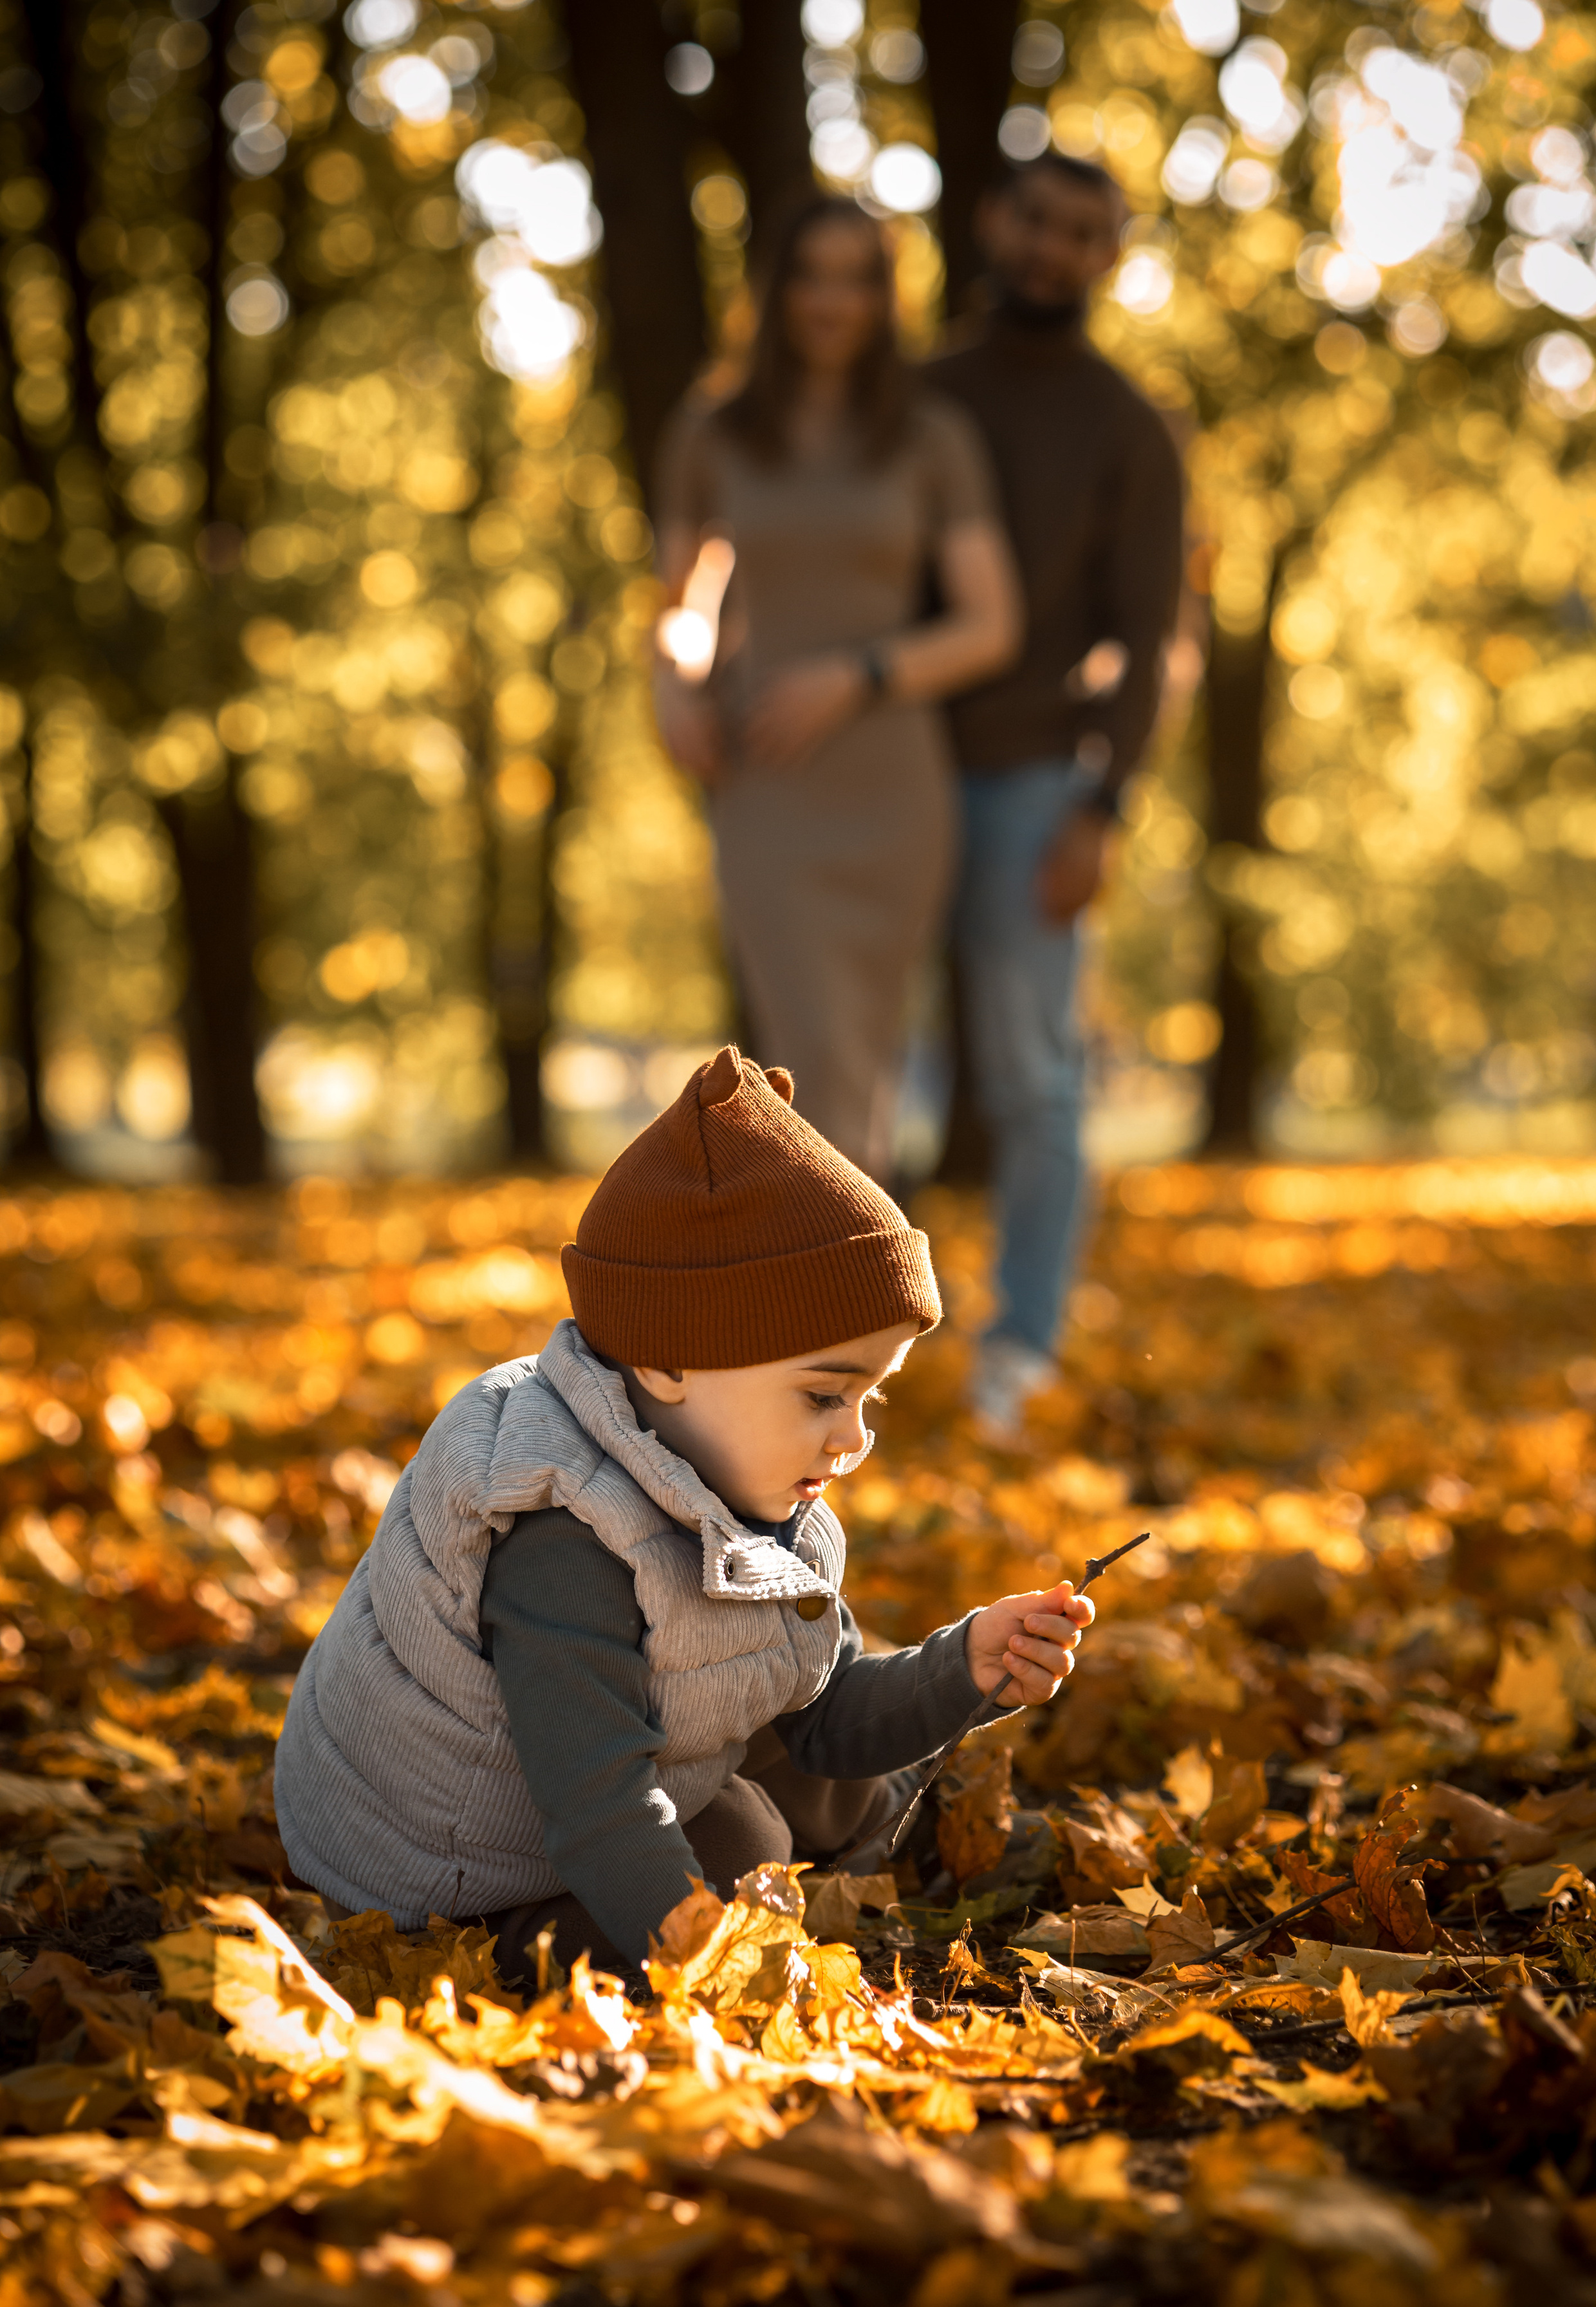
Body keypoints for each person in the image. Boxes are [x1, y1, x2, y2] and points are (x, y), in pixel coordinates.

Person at [274, 1047, 1094, 1984]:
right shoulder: (561, 1538)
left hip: (599, 1770)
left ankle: (908, 1847)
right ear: (666, 1361)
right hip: (444, 1852)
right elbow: (599, 1808)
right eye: (825, 1395)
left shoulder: (745, 1476)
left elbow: (820, 1710)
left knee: (807, 1759)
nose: (853, 1439)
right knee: (742, 1836)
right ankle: (524, 1946)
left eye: (874, 1399)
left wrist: (964, 1665)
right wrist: (725, 1968)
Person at [651, 198, 1021, 1186]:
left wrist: (855, 675)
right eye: (812, 274)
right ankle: (847, 1308)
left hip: (892, 785)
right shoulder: (714, 432)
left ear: (884, 297)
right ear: (777, 290)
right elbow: (681, 605)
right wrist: (672, 685)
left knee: (861, 1067)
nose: (833, 300)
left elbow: (991, 624)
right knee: (805, 1063)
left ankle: (844, 1314)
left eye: (858, 278)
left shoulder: (931, 439)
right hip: (767, 776)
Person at [928, 154, 1185, 1445]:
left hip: (1034, 785)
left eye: (1081, 232)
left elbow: (1148, 641)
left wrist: (1102, 806)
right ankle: (817, 1345)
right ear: (992, 217)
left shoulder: (1128, 428)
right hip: (883, 772)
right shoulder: (913, 397)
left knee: (1033, 1079)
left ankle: (1017, 1350)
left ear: (1107, 256)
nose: (1049, 247)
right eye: (1033, 216)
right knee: (843, 1074)